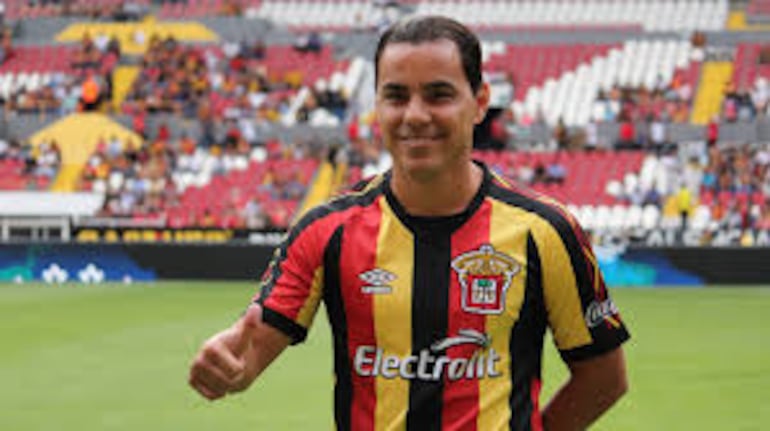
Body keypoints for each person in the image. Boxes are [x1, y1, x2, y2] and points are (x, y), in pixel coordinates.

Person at [188, 15, 630, 430]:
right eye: (396, 96)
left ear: (479, 102)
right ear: (377, 104)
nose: (415, 115)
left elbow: (604, 378)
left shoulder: (544, 230)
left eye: (438, 95)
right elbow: (251, 346)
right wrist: (230, 367)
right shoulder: (326, 229)